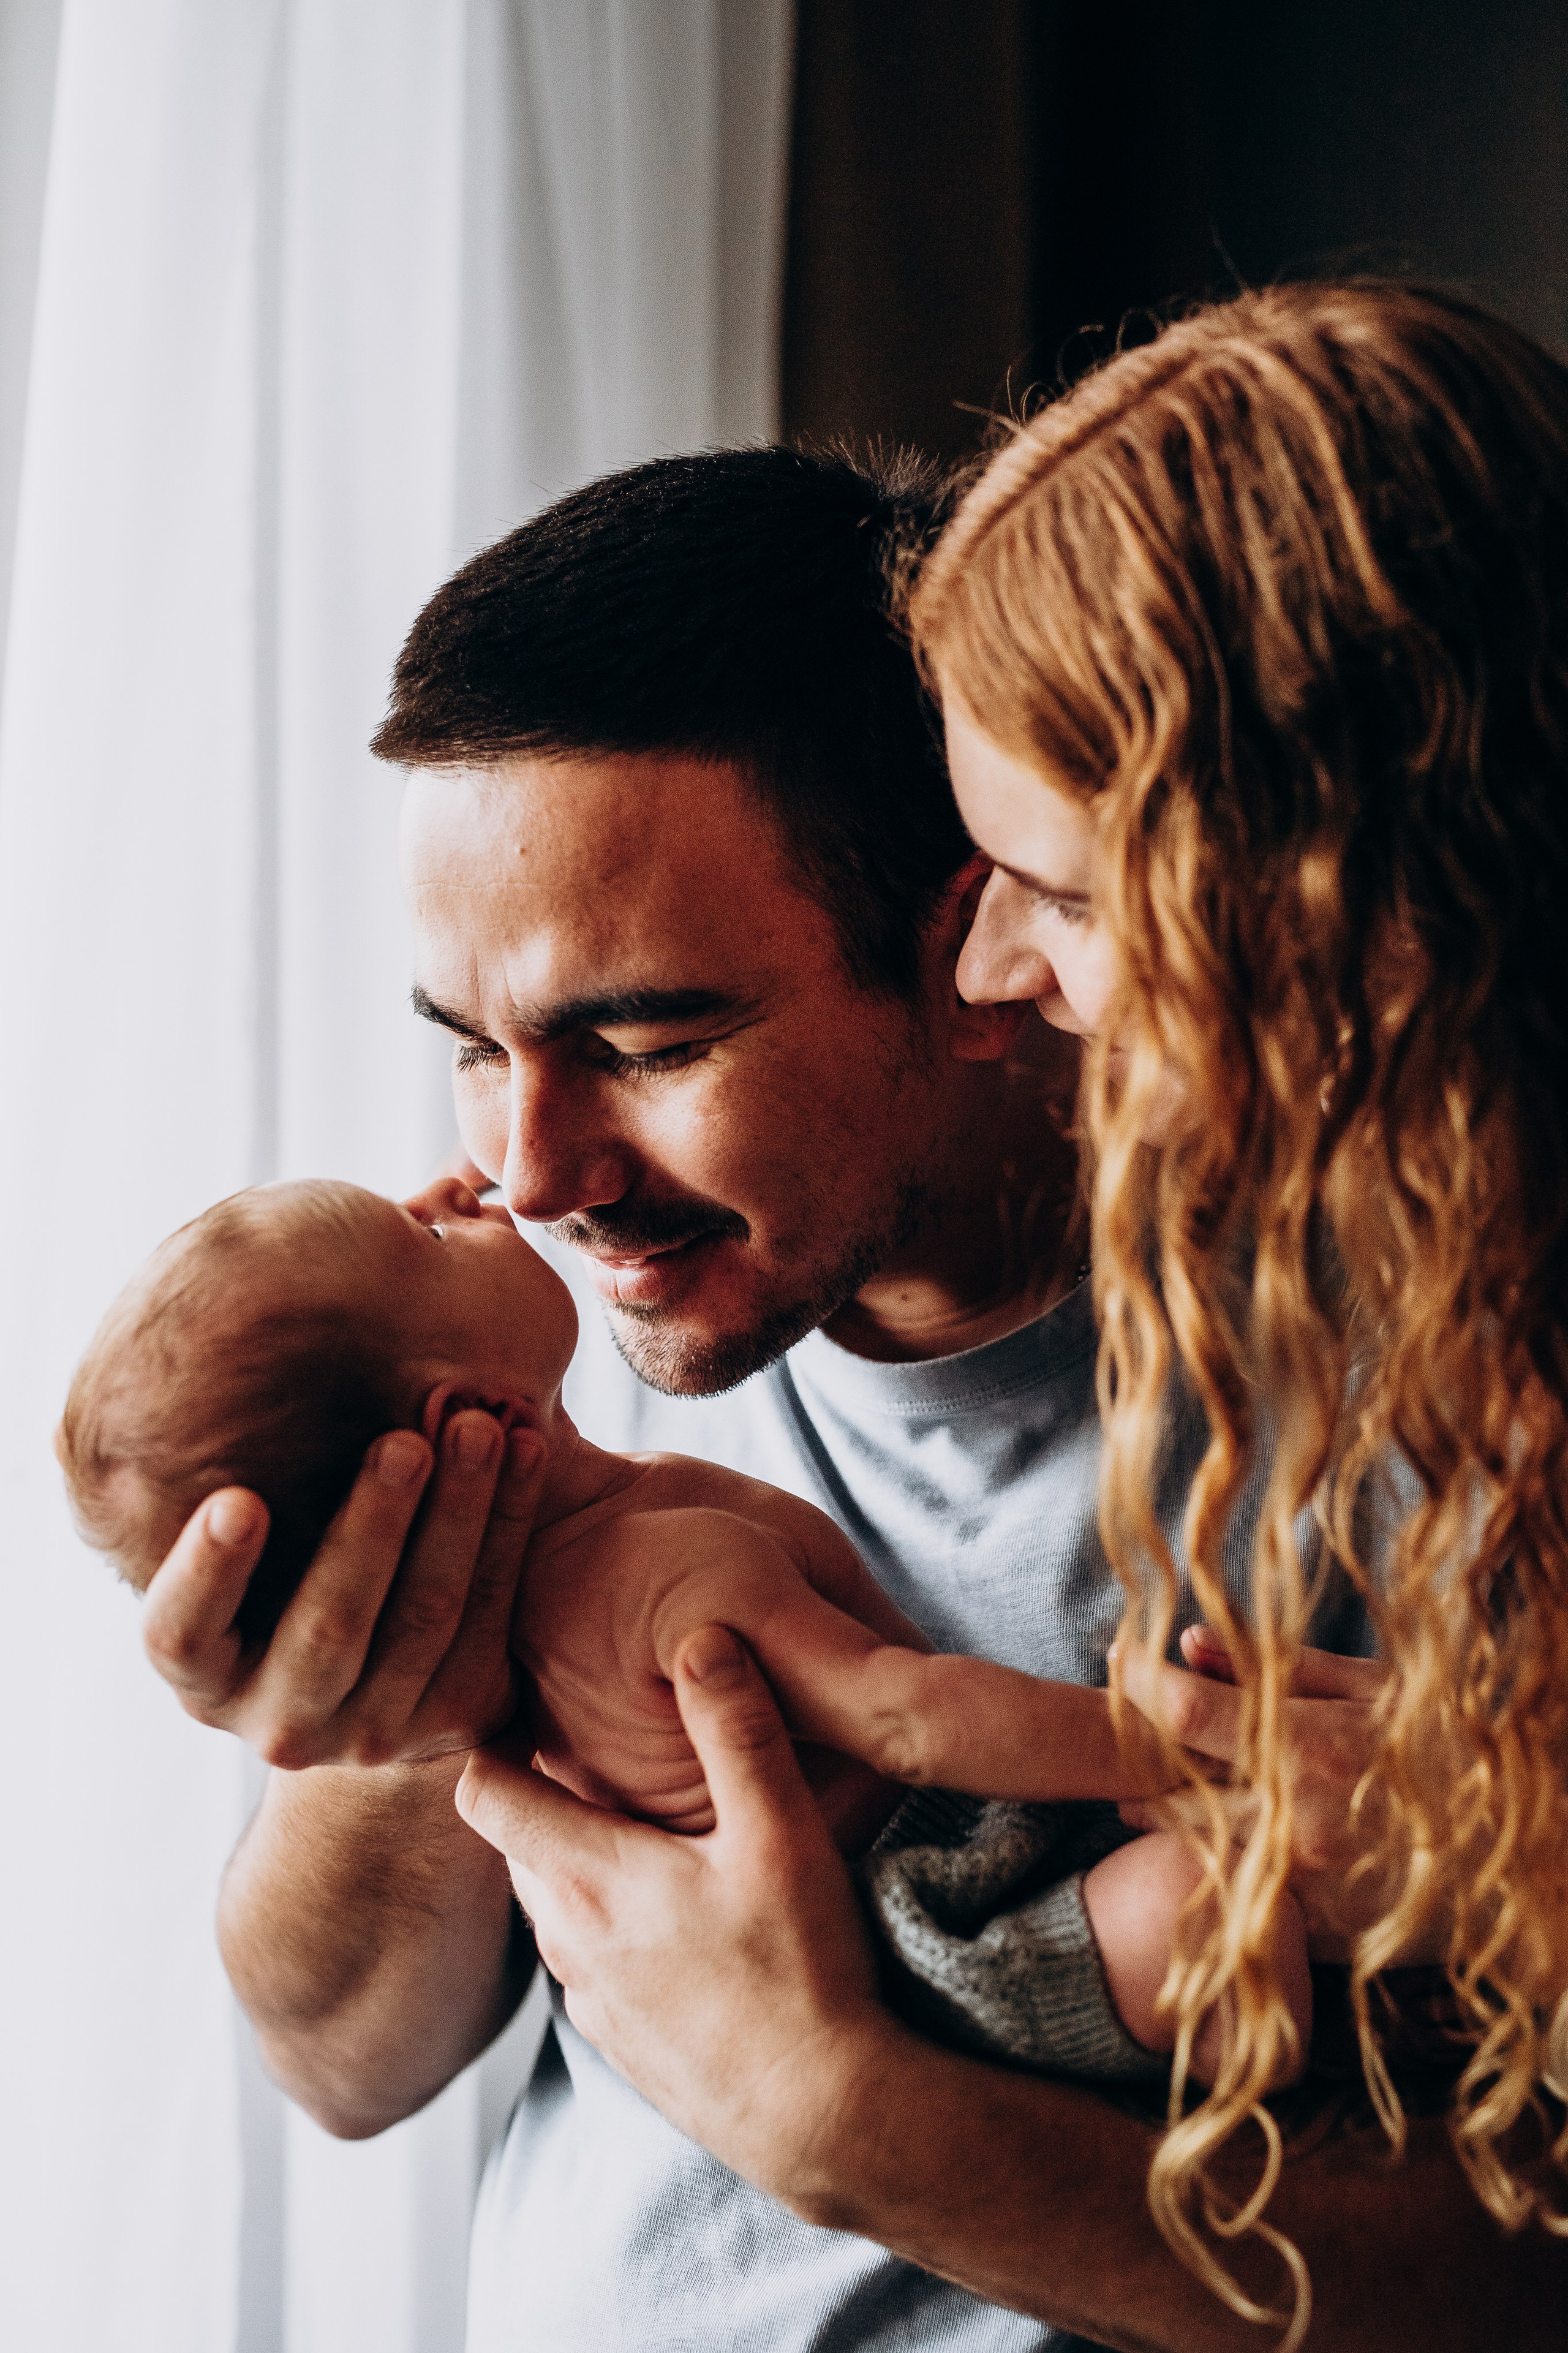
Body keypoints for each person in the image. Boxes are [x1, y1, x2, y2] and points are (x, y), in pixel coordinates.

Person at [140, 445, 1561, 2351]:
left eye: (646, 1041)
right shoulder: (499, 1370)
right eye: (475, 1047)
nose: (534, 1171)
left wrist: (852, 2123)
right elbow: (343, 2063)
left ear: (982, 947)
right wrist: (391, 1720)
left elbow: (1524, 2271)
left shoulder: (1438, 1382)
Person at [62, 1171, 1311, 2087]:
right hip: (932, 1937)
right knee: (1201, 1907)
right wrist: (1186, 1750)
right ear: (469, 1413)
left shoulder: (530, 1643)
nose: (472, 1177)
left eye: (652, 1035)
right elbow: (910, 1716)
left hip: (915, 1932)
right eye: (421, 1228)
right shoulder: (653, 1574)